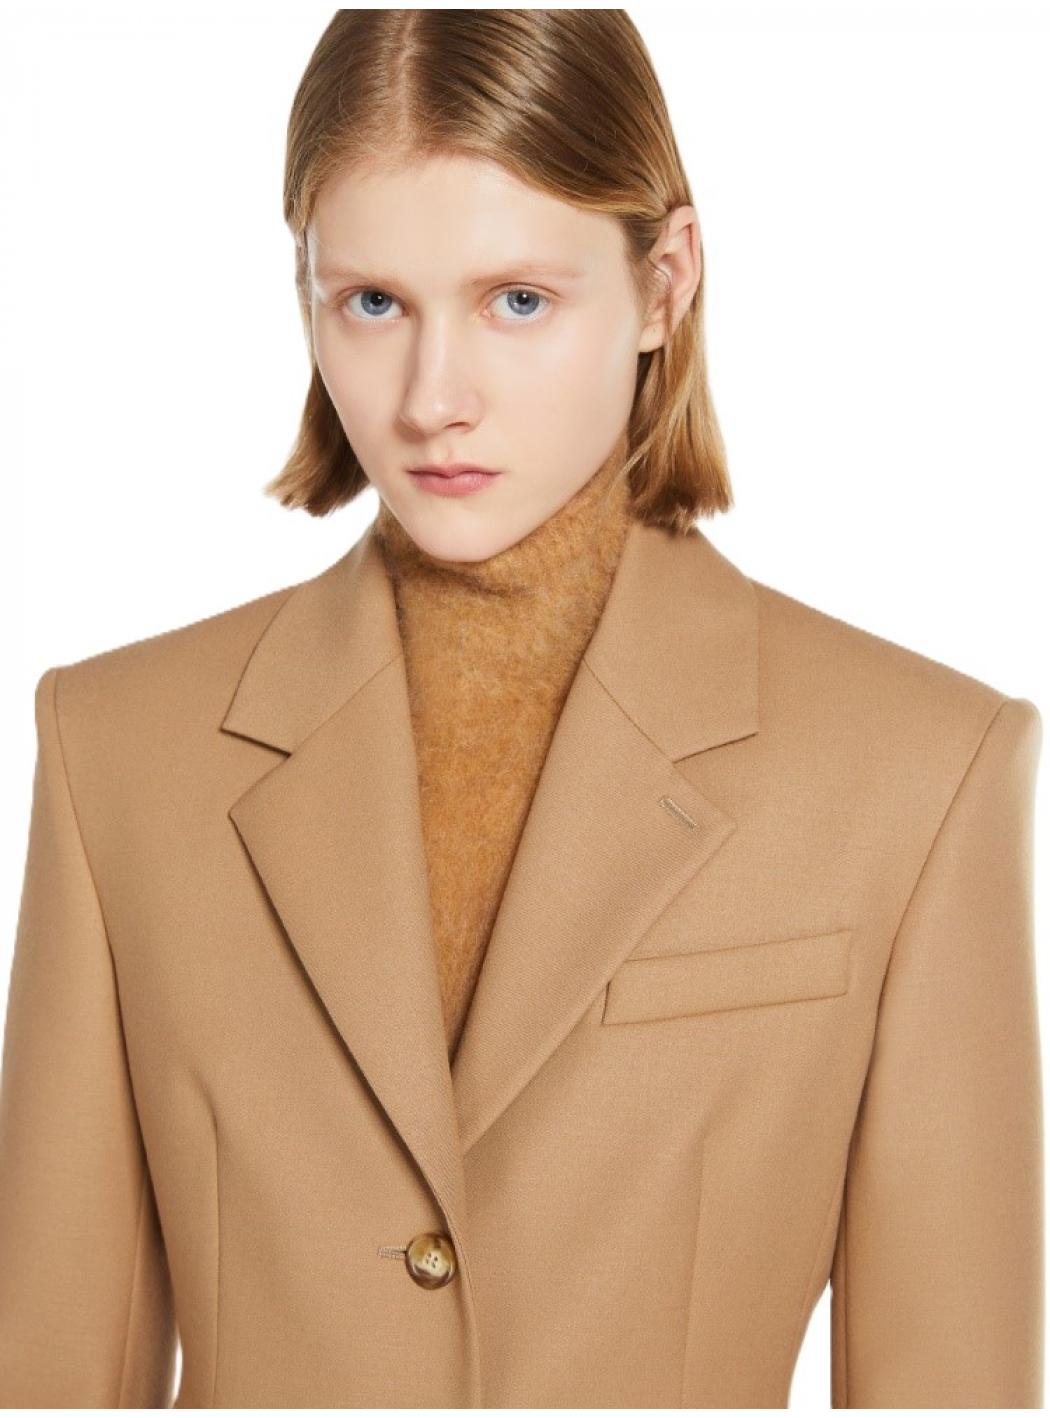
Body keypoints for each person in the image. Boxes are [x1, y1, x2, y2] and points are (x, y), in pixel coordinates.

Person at [0, 9, 1042, 1409]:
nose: (434, 399)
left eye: (518, 301)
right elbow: (50, 1373)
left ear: (664, 283)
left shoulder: (922, 769)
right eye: (372, 303)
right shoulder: (115, 750)